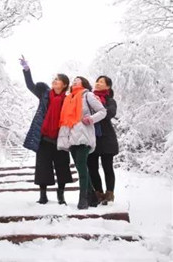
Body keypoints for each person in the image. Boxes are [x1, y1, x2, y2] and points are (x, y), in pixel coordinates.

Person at [20, 56, 73, 205]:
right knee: (42, 167)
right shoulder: (44, 94)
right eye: (54, 79)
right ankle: (43, 195)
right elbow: (30, 85)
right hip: (44, 138)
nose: (54, 81)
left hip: (61, 138)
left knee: (62, 167)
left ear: (64, 84)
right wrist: (26, 70)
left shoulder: (68, 99)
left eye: (58, 79)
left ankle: (61, 194)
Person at [57, 77, 107, 209]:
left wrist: (91, 119)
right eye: (73, 80)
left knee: (82, 168)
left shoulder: (87, 95)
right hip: (71, 137)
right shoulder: (69, 98)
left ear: (84, 83)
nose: (74, 81)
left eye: (77, 80)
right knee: (81, 168)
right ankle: (93, 198)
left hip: (84, 136)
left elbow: (103, 112)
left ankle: (83, 199)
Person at [87, 76, 118, 205]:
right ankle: (98, 193)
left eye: (101, 82)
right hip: (91, 137)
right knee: (92, 168)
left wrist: (99, 109)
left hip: (106, 138)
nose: (98, 84)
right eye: (97, 82)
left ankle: (109, 194)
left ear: (108, 87)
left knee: (107, 167)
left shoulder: (110, 100)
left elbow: (110, 113)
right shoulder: (89, 98)